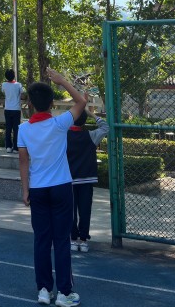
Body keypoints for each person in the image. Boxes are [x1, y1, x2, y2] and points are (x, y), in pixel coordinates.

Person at [18, 68, 86, 307]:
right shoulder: (59, 123)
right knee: (61, 241)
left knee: (41, 241)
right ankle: (65, 293)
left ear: (30, 104)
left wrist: (25, 189)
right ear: (51, 103)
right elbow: (81, 102)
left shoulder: (24, 129)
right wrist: (62, 81)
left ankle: (44, 290)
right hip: (61, 188)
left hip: (37, 189)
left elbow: (23, 161)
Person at [67, 101, 108, 253]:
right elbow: (106, 127)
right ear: (84, 121)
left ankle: (72, 239)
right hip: (87, 178)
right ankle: (83, 240)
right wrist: (91, 113)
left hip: (69, 179)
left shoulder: (63, 136)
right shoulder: (91, 136)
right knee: (85, 210)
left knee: (70, 210)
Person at [1, 69, 23, 153]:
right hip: (16, 109)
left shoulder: (4, 85)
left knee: (8, 128)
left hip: (7, 109)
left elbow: (2, 91)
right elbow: (23, 92)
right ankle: (16, 148)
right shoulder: (18, 85)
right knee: (16, 129)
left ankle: (8, 147)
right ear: (14, 76)